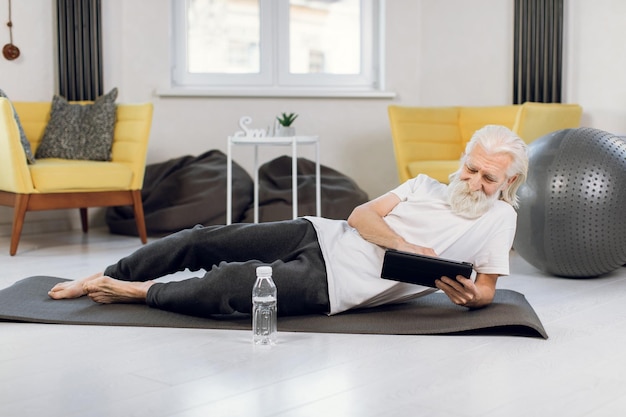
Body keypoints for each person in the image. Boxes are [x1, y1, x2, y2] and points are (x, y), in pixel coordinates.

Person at [49, 124, 528, 318]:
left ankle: (138, 291)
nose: (473, 181)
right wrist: (407, 247)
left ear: (506, 184)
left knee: (231, 284)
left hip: (337, 284)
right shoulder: (424, 184)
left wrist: (469, 297)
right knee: (203, 239)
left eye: (488, 178)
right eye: (470, 168)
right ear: (461, 161)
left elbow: (485, 287)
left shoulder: (499, 219)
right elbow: (360, 215)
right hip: (321, 233)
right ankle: (104, 275)